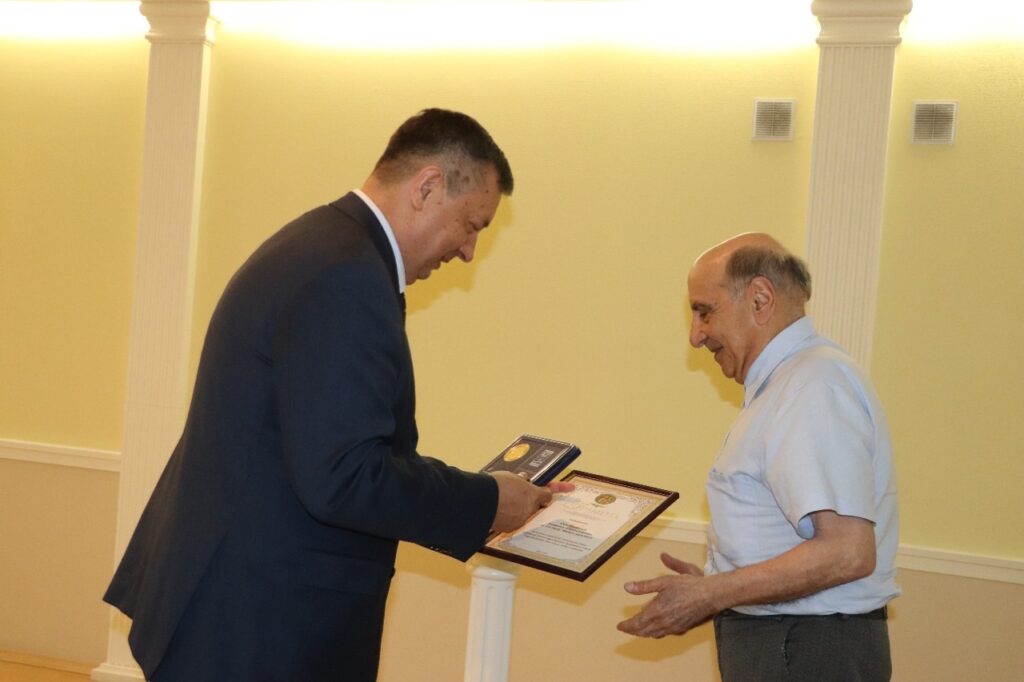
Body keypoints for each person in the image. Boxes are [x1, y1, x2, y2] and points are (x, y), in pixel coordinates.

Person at [104, 108, 568, 682]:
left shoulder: (323, 244)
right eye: (472, 224)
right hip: (260, 624)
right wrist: (486, 501)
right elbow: (344, 477)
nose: (469, 250)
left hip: (238, 603)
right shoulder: (346, 275)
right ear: (427, 186)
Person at [618, 233, 899, 681]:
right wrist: (716, 585)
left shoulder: (811, 386)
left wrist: (713, 594)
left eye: (705, 312)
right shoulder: (790, 384)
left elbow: (848, 552)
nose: (696, 336)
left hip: (806, 648)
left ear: (760, 299)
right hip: (792, 643)